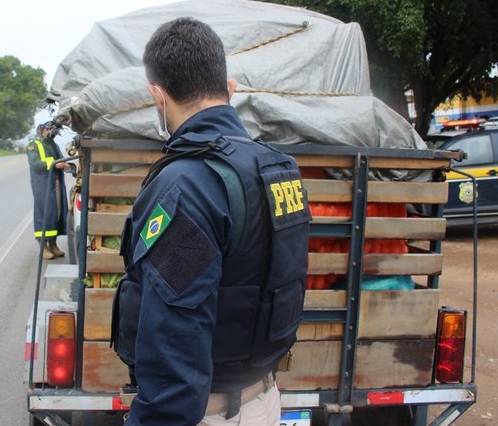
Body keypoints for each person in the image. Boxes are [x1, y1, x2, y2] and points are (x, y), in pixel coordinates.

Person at [110, 18, 311, 425]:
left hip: (205, 414)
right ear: (230, 88)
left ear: (158, 95)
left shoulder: (187, 185)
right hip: (265, 400)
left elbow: (174, 350)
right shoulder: (279, 168)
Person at [27, 121, 69, 259]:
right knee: (44, 212)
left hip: (55, 182)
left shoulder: (53, 144)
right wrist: (53, 164)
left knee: (56, 212)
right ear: (42, 129)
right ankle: (43, 247)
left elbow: (59, 158)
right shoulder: (34, 144)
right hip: (43, 184)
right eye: (49, 129)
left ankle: (53, 244)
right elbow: (35, 163)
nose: (51, 132)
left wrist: (65, 164)